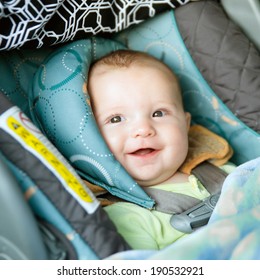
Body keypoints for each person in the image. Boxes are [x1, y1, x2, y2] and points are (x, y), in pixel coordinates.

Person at [87, 49, 235, 250]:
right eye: (116, 119)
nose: (143, 129)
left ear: (185, 125)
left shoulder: (227, 172)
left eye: (158, 113)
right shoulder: (123, 218)